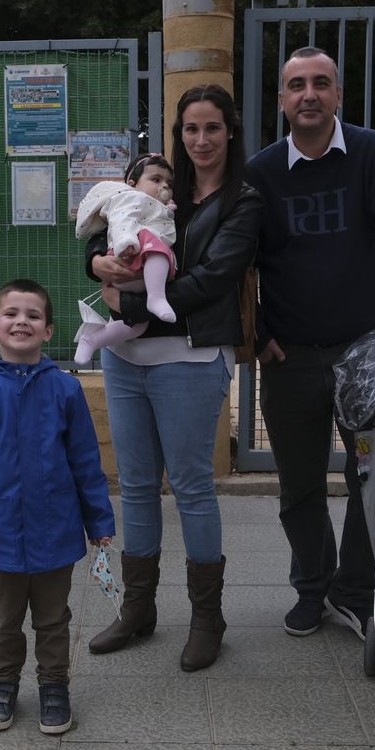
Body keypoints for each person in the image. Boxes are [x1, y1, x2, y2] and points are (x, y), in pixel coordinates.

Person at [245, 47, 375, 640]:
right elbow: (237, 261)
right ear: (281, 100)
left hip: (362, 357)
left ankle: (354, 591)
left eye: (321, 84)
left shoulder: (369, 153)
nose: (309, 94)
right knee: (299, 485)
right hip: (289, 363)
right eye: (297, 85)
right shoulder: (260, 172)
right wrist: (256, 332)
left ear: (338, 95)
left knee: (369, 482)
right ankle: (312, 588)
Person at [84, 85, 261, 672]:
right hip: (126, 360)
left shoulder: (243, 201)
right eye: (190, 129)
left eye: (212, 128)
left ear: (229, 131)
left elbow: (214, 278)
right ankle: (138, 610)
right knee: (134, 485)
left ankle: (208, 618)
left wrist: (129, 306)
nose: (201, 140)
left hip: (189, 355)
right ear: (179, 134)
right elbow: (106, 227)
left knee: (190, 488)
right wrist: (95, 264)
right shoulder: (160, 186)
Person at [0, 279, 115, 734]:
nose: (22, 321)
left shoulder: (65, 390)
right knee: (4, 618)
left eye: (33, 315)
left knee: (53, 617)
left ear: (48, 331)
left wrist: (99, 520)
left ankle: (54, 686)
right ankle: (2, 684)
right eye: (11, 313)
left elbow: (86, 461)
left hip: (56, 530)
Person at [72, 154, 178, 363]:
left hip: (137, 276)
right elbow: (123, 219)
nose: (163, 186)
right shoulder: (131, 198)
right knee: (157, 249)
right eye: (156, 180)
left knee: (137, 326)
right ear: (132, 183)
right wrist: (125, 242)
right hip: (131, 252)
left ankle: (92, 340)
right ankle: (156, 297)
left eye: (168, 182)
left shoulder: (155, 206)